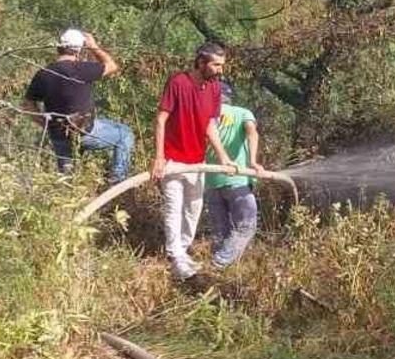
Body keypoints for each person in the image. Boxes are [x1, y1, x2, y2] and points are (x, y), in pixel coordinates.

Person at [151, 42, 233, 282]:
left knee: (193, 210)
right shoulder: (178, 82)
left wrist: (223, 157)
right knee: (173, 209)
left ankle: (182, 251)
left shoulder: (215, 87)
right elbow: (161, 119)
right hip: (173, 161)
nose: (220, 70)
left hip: (197, 161)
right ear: (201, 62)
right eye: (216, 64)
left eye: (222, 65)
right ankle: (175, 257)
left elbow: (210, 125)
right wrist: (158, 158)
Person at [23, 29, 134, 183]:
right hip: (85, 133)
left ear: (59, 47)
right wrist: (94, 46)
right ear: (79, 49)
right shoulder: (82, 69)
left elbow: (27, 105)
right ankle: (117, 181)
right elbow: (112, 66)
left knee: (67, 180)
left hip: (58, 136)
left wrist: (46, 124)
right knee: (125, 134)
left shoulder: (43, 73)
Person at [205, 82, 265, 269]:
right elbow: (252, 133)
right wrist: (253, 161)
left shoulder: (207, 115)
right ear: (230, 96)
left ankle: (215, 272)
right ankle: (218, 263)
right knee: (246, 226)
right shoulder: (242, 112)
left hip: (212, 181)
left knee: (220, 231)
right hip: (237, 179)